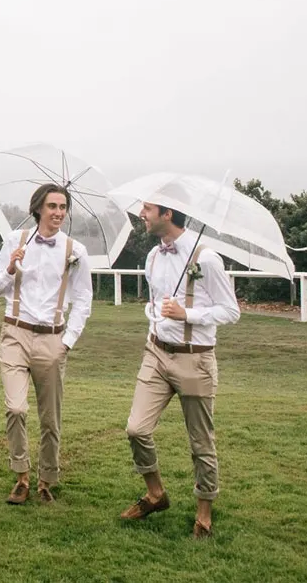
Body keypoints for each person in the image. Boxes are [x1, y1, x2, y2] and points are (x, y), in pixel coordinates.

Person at [118, 200, 240, 539]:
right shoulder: (153, 257)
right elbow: (156, 302)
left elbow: (231, 311)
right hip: (156, 353)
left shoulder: (207, 258)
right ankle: (155, 494)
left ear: (167, 214)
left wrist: (188, 315)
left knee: (201, 442)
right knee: (135, 429)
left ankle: (204, 512)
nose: (141, 214)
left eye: (147, 208)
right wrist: (154, 317)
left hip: (195, 359)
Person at [0, 183, 93, 505]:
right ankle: (21, 475)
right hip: (15, 333)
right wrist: (9, 267)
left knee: (50, 418)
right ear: (38, 209)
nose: (59, 213)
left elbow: (83, 298)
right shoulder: (15, 242)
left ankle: (47, 478)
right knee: (16, 408)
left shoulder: (75, 251)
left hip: (53, 338)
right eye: (52, 206)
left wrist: (68, 342)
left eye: (63, 207)